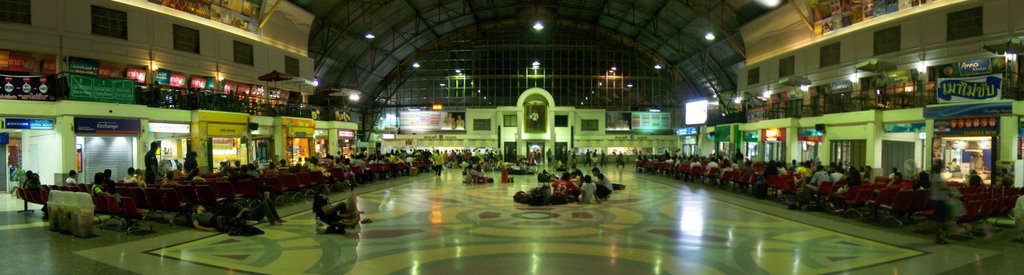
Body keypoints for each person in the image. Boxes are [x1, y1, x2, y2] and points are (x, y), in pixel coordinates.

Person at [191, 205, 264, 236]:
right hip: (214, 221)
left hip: (218, 220)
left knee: (234, 226)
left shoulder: (208, 212)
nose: (203, 207)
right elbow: (196, 226)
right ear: (197, 208)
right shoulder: (195, 215)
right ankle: (251, 228)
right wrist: (208, 229)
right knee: (235, 223)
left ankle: (249, 229)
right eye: (201, 206)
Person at [929, 161, 950, 244]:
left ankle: (938, 237)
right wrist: (950, 189)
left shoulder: (935, 176)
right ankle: (938, 238)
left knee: (939, 220)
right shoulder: (937, 177)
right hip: (938, 200)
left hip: (936, 199)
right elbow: (942, 187)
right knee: (938, 220)